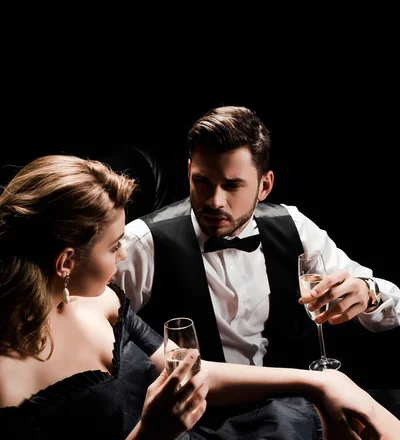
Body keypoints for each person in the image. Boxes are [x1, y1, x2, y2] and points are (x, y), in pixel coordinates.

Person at [1, 155, 400, 440]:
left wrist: (319, 381)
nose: (123, 254)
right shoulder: (6, 386)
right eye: (114, 246)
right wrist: (148, 438)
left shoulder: (101, 303)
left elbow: (191, 369)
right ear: (64, 262)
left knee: (365, 429)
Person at [113, 105, 400, 378]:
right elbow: (92, 328)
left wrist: (368, 293)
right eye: (202, 181)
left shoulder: (293, 226)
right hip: (197, 416)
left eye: (232, 185)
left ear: (265, 186)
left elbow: (393, 305)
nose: (214, 201)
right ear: (188, 173)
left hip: (289, 407)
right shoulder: (141, 242)